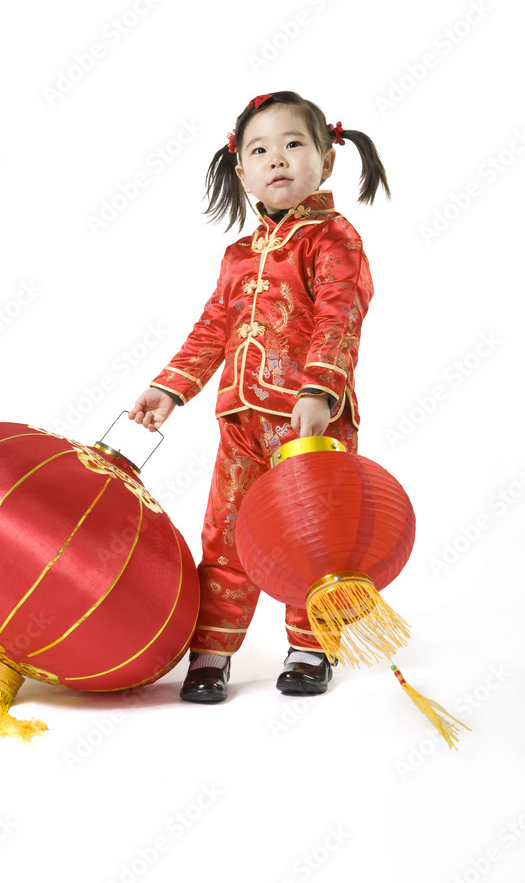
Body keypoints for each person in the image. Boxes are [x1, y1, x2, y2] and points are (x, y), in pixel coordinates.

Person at [129, 91, 389, 703]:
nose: (279, 158)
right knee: (225, 534)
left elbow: (339, 317)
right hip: (241, 423)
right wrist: (171, 388)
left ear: (326, 159)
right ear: (242, 173)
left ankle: (310, 647)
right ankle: (212, 651)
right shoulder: (239, 256)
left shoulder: (333, 239)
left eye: (294, 144)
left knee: (316, 536)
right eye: (261, 149)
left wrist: (320, 388)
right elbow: (213, 329)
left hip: (310, 421)